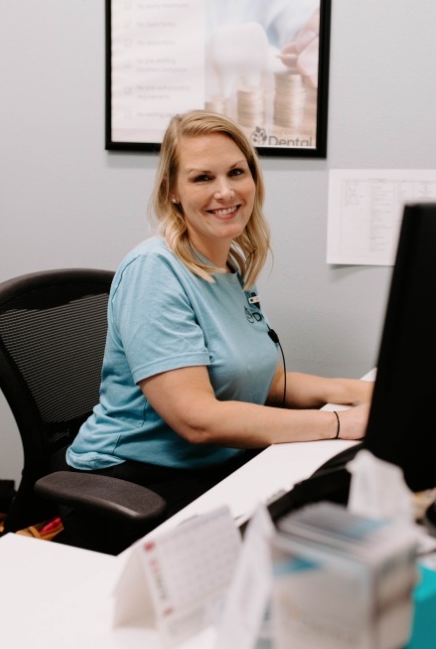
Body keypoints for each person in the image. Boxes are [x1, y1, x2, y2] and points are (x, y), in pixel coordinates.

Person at [65, 110, 372, 550]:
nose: (225, 191)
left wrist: (359, 393)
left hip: (209, 465)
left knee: (335, 500)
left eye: (236, 172)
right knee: (303, 546)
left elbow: (264, 381)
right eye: (202, 178)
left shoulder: (226, 266)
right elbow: (198, 420)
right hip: (131, 482)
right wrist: (339, 423)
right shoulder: (155, 270)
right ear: (172, 191)